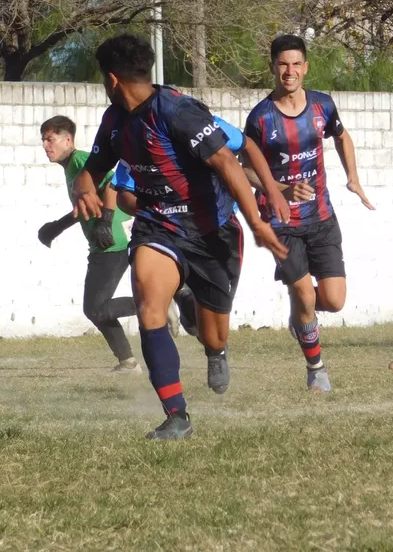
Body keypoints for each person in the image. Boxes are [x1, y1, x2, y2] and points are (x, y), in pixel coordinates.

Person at [73, 33, 288, 440]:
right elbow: (94, 169)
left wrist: (258, 222)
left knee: (212, 333)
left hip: (212, 232)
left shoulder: (177, 109)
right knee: (149, 308)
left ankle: (216, 349)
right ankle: (177, 416)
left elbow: (227, 161)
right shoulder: (114, 120)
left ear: (113, 79)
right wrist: (83, 187)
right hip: (157, 226)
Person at [243, 34, 375, 392]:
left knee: (333, 300)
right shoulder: (259, 118)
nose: (290, 71)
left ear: (306, 67)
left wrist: (353, 178)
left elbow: (342, 137)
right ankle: (316, 368)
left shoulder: (322, 106)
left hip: (322, 218)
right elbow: (246, 170)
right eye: (283, 64)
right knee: (303, 294)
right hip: (281, 222)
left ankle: (300, 319)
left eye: (296, 64)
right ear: (272, 67)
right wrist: (280, 189)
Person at [112, 116, 290, 346]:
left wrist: (274, 190)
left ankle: (214, 347)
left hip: (217, 226)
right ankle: (178, 297)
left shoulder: (210, 126)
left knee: (214, 325)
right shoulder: (138, 138)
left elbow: (243, 157)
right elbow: (123, 193)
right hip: (165, 229)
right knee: (155, 299)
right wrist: (158, 211)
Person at [37, 115, 177, 374]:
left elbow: (113, 185)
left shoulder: (81, 161)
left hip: (111, 240)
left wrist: (106, 221)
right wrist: (55, 227)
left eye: (50, 139)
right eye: (43, 140)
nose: (45, 145)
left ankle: (156, 304)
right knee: (96, 309)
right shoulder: (71, 168)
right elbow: (85, 206)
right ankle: (127, 361)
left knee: (95, 307)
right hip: (103, 241)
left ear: (68, 139)